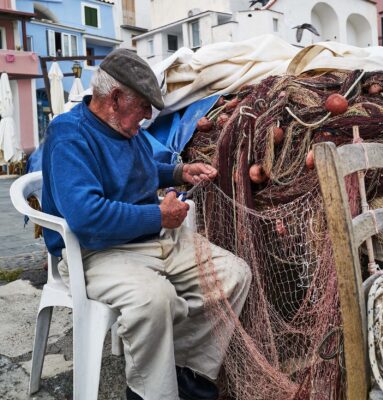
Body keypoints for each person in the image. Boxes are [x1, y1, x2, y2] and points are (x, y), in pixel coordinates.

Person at [41, 48, 251, 400]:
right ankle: (149, 392)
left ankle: (186, 372)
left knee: (234, 275)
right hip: (98, 250)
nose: (149, 115)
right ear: (116, 98)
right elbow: (86, 216)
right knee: (155, 301)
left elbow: (141, 170)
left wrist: (180, 171)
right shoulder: (68, 135)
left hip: (151, 236)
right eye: (143, 105)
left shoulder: (125, 129)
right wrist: (159, 216)